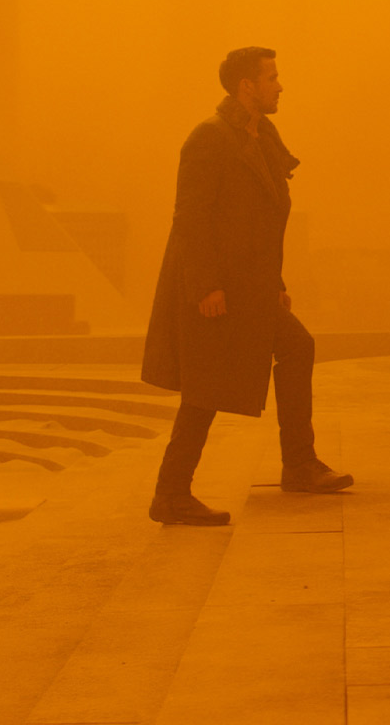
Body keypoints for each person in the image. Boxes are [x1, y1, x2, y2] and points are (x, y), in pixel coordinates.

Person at [140, 46, 353, 526]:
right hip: (218, 287)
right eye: (272, 77)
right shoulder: (210, 138)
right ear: (247, 87)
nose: (280, 85)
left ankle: (299, 464)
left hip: (252, 286)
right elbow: (190, 218)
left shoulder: (263, 137)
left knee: (297, 347)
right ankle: (171, 493)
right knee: (205, 388)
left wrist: (275, 281)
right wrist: (206, 287)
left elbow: (265, 220)